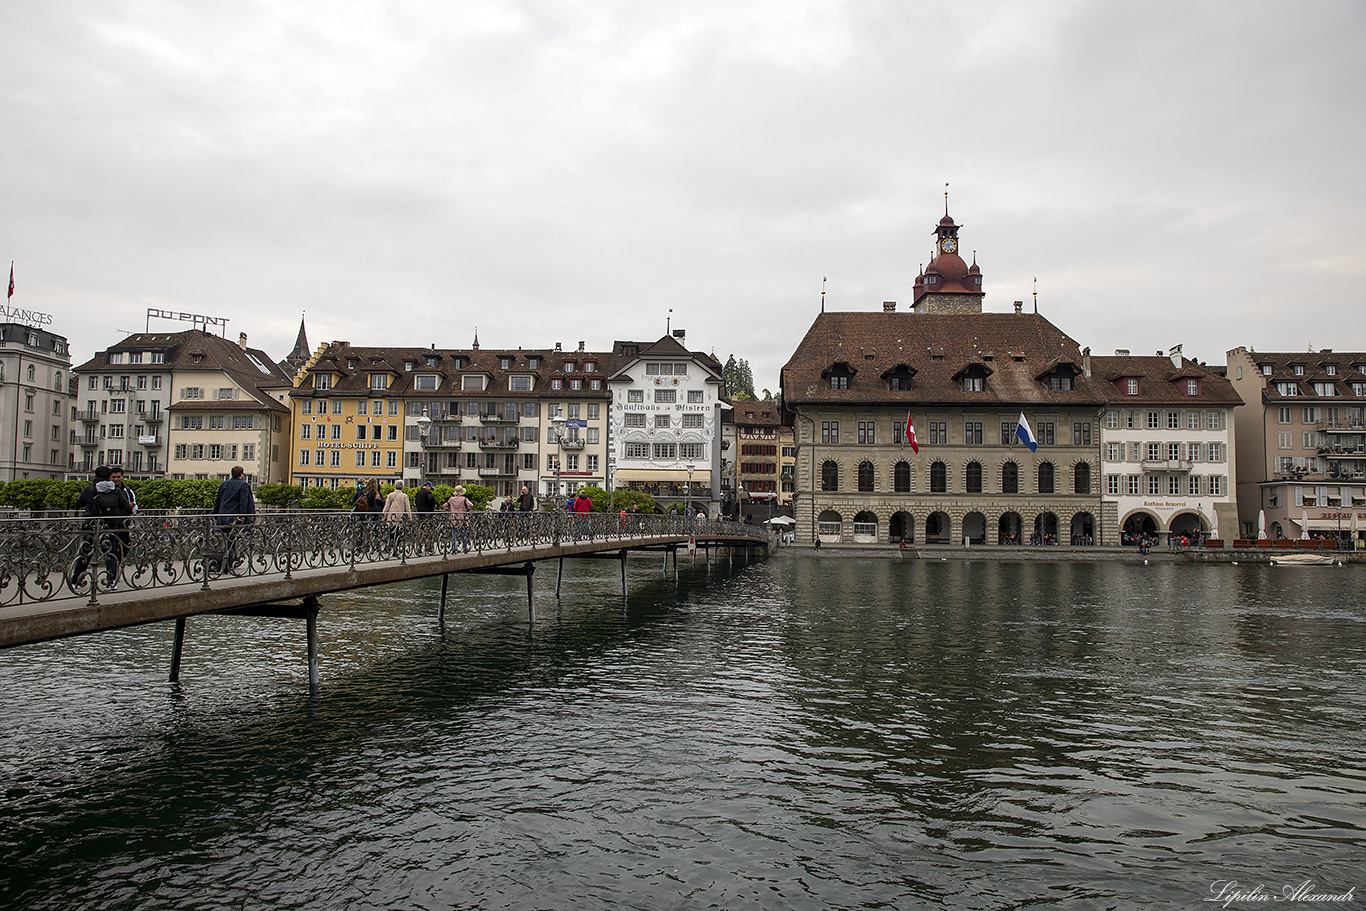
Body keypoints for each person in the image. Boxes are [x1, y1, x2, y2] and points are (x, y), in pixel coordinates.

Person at [71, 465, 133, 590]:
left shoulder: (89, 490)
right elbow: (125, 505)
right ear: (110, 477)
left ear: (95, 476)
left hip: (91, 525)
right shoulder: (116, 490)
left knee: (86, 552)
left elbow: (79, 503)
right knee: (111, 553)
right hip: (111, 525)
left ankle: (76, 580)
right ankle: (111, 581)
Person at [211, 465, 255, 570]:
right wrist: (242, 515)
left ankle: (225, 561)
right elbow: (243, 501)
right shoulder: (243, 485)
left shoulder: (223, 484)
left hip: (222, 516)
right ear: (241, 474)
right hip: (234, 517)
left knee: (223, 539)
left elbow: (218, 500)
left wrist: (215, 514)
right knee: (231, 540)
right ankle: (227, 562)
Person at [445, 484, 473, 551]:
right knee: (464, 533)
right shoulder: (464, 499)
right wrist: (466, 509)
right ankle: (465, 547)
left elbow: (444, 506)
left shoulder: (451, 499)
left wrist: (449, 510)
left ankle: (454, 547)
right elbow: (471, 505)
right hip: (462, 517)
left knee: (454, 533)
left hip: (453, 517)